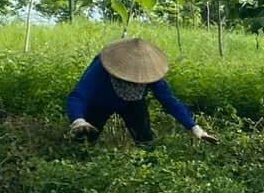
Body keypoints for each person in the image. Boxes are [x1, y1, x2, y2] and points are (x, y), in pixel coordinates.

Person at [66, 37, 215, 146]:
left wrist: (194, 127)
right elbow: (79, 95)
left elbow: (169, 101)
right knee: (84, 140)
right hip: (101, 102)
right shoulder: (102, 68)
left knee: (145, 141)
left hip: (134, 105)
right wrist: (78, 119)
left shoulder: (151, 75)